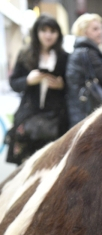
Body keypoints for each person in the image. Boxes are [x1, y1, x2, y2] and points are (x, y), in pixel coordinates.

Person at [5, 14, 69, 165]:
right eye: (44, 30)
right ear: (36, 32)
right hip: (28, 116)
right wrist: (28, 80)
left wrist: (62, 85)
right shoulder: (25, 54)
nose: (48, 35)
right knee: (23, 166)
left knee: (50, 166)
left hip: (55, 119)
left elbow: (72, 86)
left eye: (52, 31)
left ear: (58, 34)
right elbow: (13, 83)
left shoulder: (64, 57)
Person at [66, 13, 102, 128]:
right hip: (87, 111)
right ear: (84, 32)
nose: (100, 32)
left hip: (80, 110)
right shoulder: (88, 52)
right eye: (95, 29)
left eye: (101, 28)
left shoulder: (80, 51)